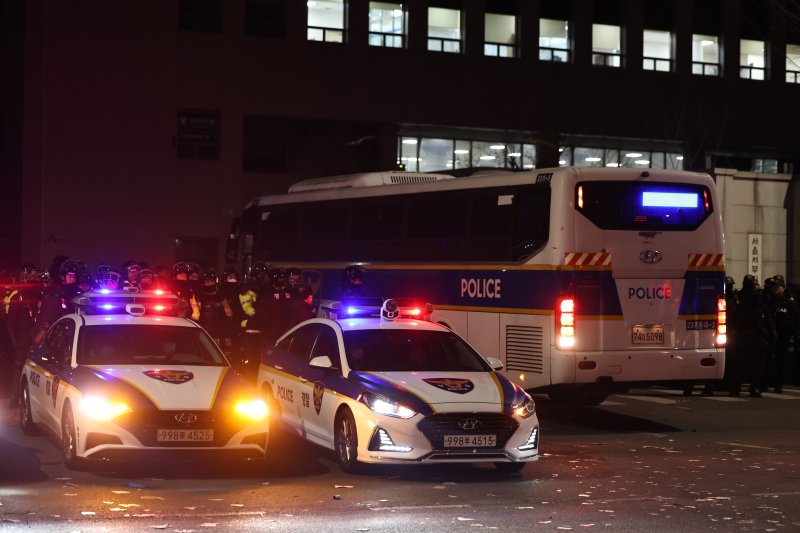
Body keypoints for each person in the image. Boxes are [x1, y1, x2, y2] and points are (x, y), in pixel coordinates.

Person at [6, 265, 44, 407]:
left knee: (36, 366)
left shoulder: (39, 294)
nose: (34, 278)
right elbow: (10, 320)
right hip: (22, 334)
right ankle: (14, 397)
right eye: (31, 276)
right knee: (18, 365)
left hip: (37, 333)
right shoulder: (18, 296)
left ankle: (33, 399)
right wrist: (13, 339)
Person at [730, 275, 771, 397]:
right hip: (743, 337)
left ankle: (754, 387)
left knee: (758, 364)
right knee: (739, 363)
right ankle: (736, 387)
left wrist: (769, 335)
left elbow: (768, 319)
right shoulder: (740, 301)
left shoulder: (760, 302)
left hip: (757, 337)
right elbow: (735, 319)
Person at [764, 275, 797, 393]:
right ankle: (765, 383)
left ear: (783, 287)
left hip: (783, 335)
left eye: (777, 286)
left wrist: (789, 330)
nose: (775, 289)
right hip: (771, 335)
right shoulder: (770, 300)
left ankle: (778, 384)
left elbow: (795, 319)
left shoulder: (789, 302)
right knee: (767, 360)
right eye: (774, 286)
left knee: (780, 361)